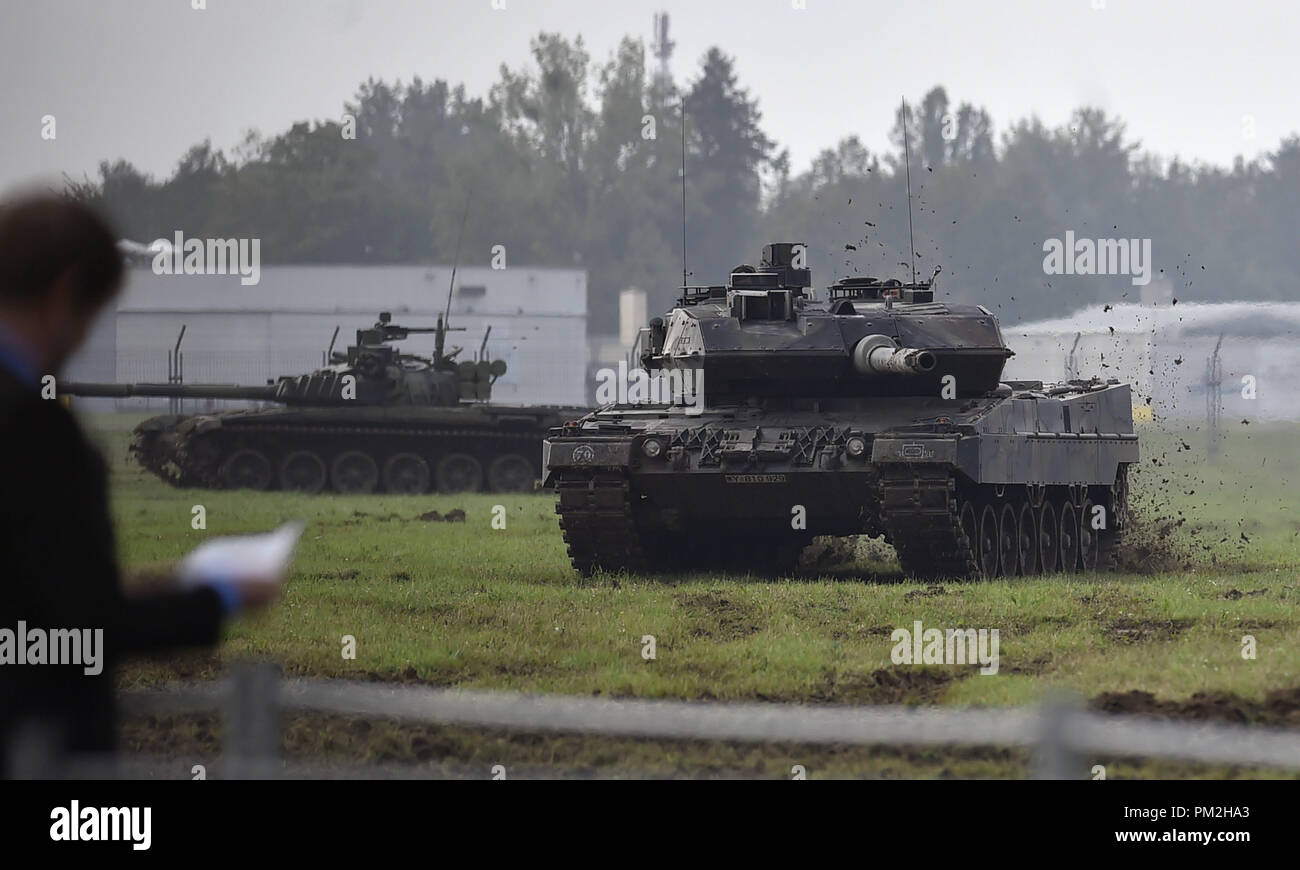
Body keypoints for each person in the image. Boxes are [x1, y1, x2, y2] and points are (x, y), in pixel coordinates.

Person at [0, 194, 284, 777]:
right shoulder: (35, 430)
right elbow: (78, 627)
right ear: (67, 292)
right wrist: (218, 596)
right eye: (92, 314)